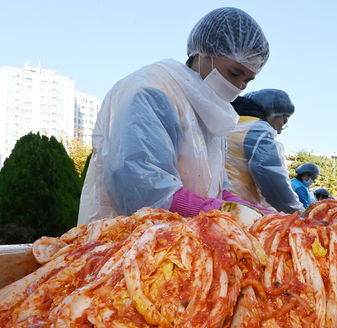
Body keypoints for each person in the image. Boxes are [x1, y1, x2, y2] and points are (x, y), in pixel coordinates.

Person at [78, 7, 271, 225]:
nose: (238, 86)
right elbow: (143, 192)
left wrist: (264, 217)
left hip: (185, 242)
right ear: (203, 50)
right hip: (132, 243)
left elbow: (218, 192)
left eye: (247, 80)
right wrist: (220, 214)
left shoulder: (209, 113)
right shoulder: (151, 92)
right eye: (234, 73)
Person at [226, 89, 303, 213]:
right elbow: (273, 181)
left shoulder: (229, 121)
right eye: (284, 122)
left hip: (215, 202)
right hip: (237, 210)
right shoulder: (257, 130)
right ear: (274, 114)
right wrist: (298, 211)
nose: (280, 131)